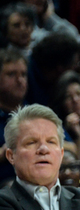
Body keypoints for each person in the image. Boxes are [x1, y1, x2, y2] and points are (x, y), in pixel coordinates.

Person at [0, 47, 28, 186]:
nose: (19, 80)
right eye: (11, 74)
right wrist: (4, 152)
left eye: (23, 74)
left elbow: (70, 147)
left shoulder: (35, 113)